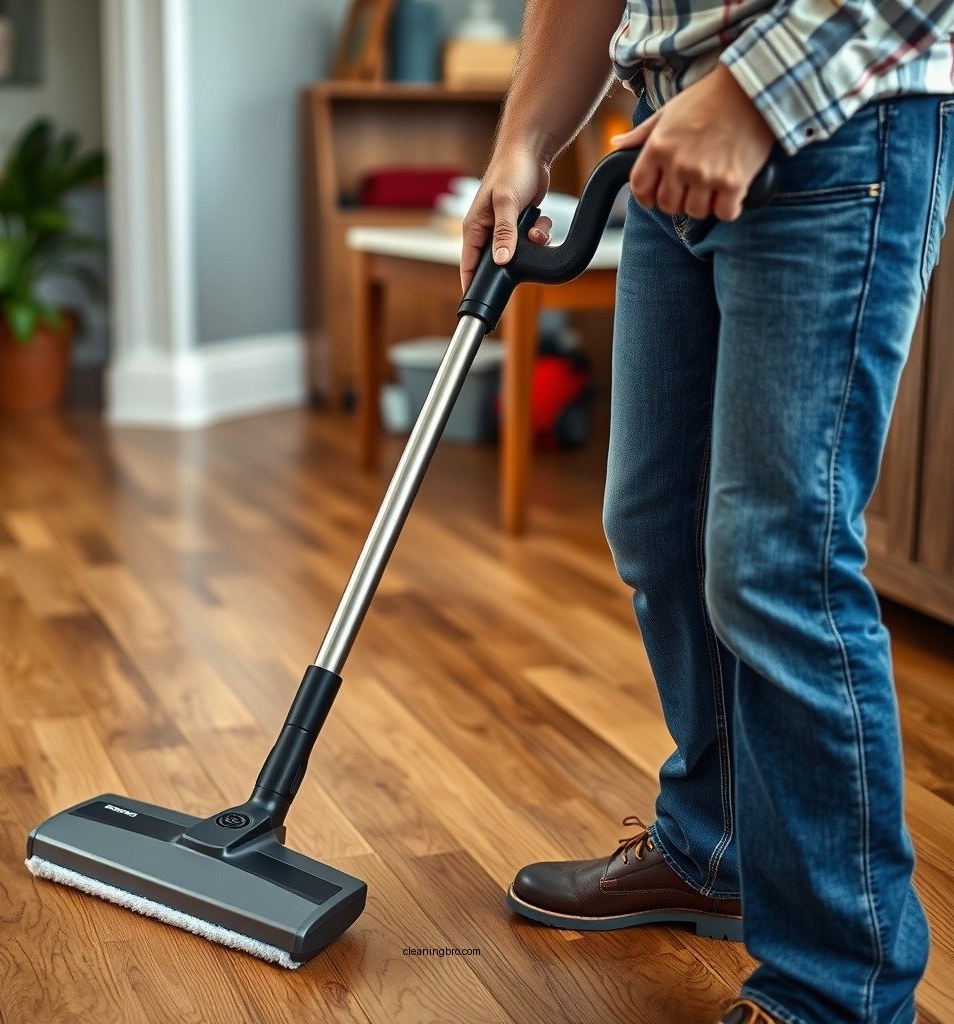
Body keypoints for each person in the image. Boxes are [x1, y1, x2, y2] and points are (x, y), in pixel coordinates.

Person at [461, 2, 954, 1022]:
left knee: (777, 561)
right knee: (659, 527)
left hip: (836, 116)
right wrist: (522, 140)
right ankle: (713, 847)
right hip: (660, 135)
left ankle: (838, 985)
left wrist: (747, 94)